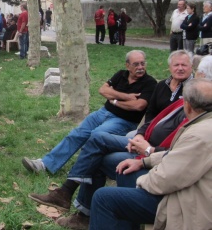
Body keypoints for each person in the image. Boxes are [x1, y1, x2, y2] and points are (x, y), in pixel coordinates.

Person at [33, 50, 193, 229]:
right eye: (176, 65)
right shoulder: (161, 85)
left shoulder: (191, 92)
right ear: (169, 67)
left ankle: (68, 193)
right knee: (80, 135)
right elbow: (149, 115)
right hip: (136, 135)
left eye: (184, 65)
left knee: (97, 138)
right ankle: (77, 208)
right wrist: (140, 133)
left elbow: (139, 106)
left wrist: (148, 148)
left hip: (149, 144)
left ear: (191, 67)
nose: (180, 68)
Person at [89, 78, 212, 230]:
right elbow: (175, 155)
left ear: (187, 105)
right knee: (123, 169)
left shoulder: (199, 134)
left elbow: (167, 179)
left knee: (103, 198)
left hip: (187, 204)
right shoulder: (202, 124)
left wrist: (141, 181)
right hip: (183, 188)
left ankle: (75, 200)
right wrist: (143, 162)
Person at [22, 50, 157, 176]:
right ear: (127, 65)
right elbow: (103, 90)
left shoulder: (149, 83)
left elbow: (138, 106)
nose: (140, 67)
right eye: (136, 64)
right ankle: (44, 164)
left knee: (96, 135)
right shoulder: (121, 74)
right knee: (77, 133)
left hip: (123, 121)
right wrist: (127, 97)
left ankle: (78, 174)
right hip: (103, 112)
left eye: (142, 63)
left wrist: (114, 101)